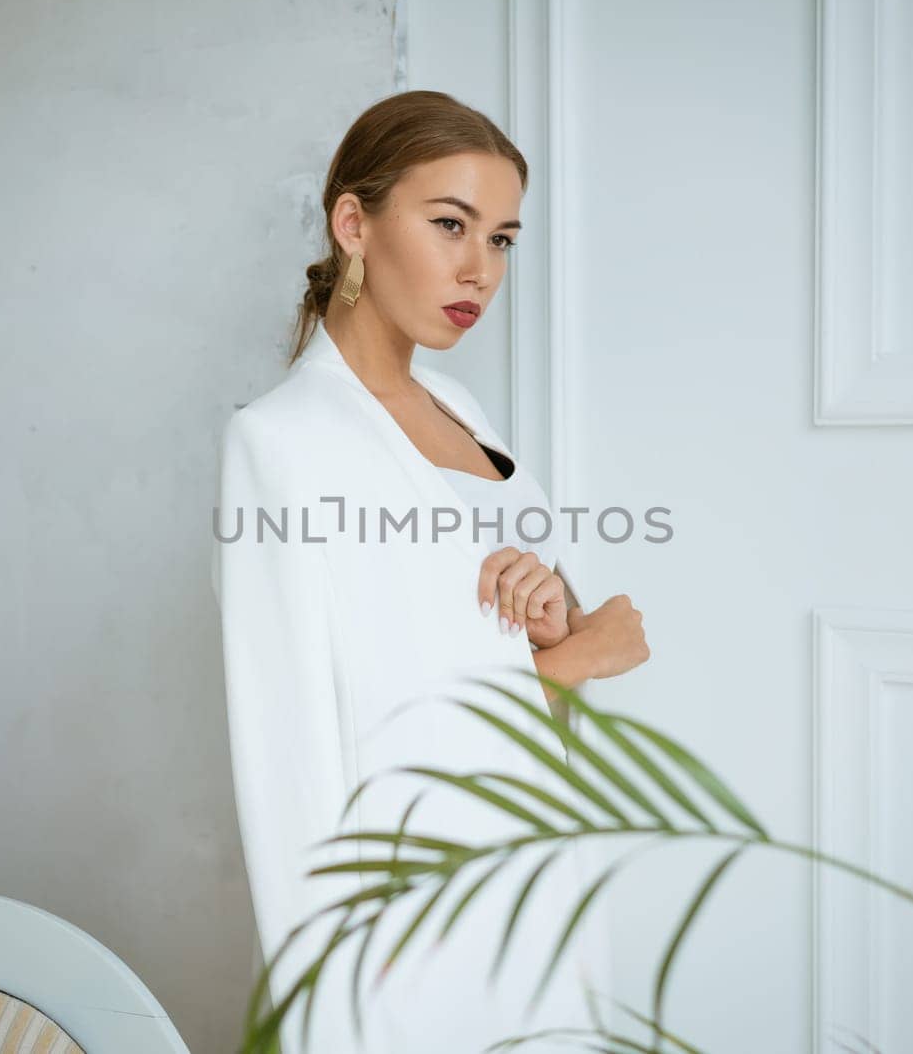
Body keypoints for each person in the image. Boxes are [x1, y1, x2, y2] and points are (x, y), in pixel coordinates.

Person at [211, 89, 650, 1053]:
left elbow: (478, 636)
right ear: (353, 222)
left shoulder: (463, 410)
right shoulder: (280, 444)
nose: (478, 268)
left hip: (536, 884)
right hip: (403, 946)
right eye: (450, 224)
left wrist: (557, 620)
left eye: (501, 238)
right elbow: (293, 760)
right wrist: (580, 657)